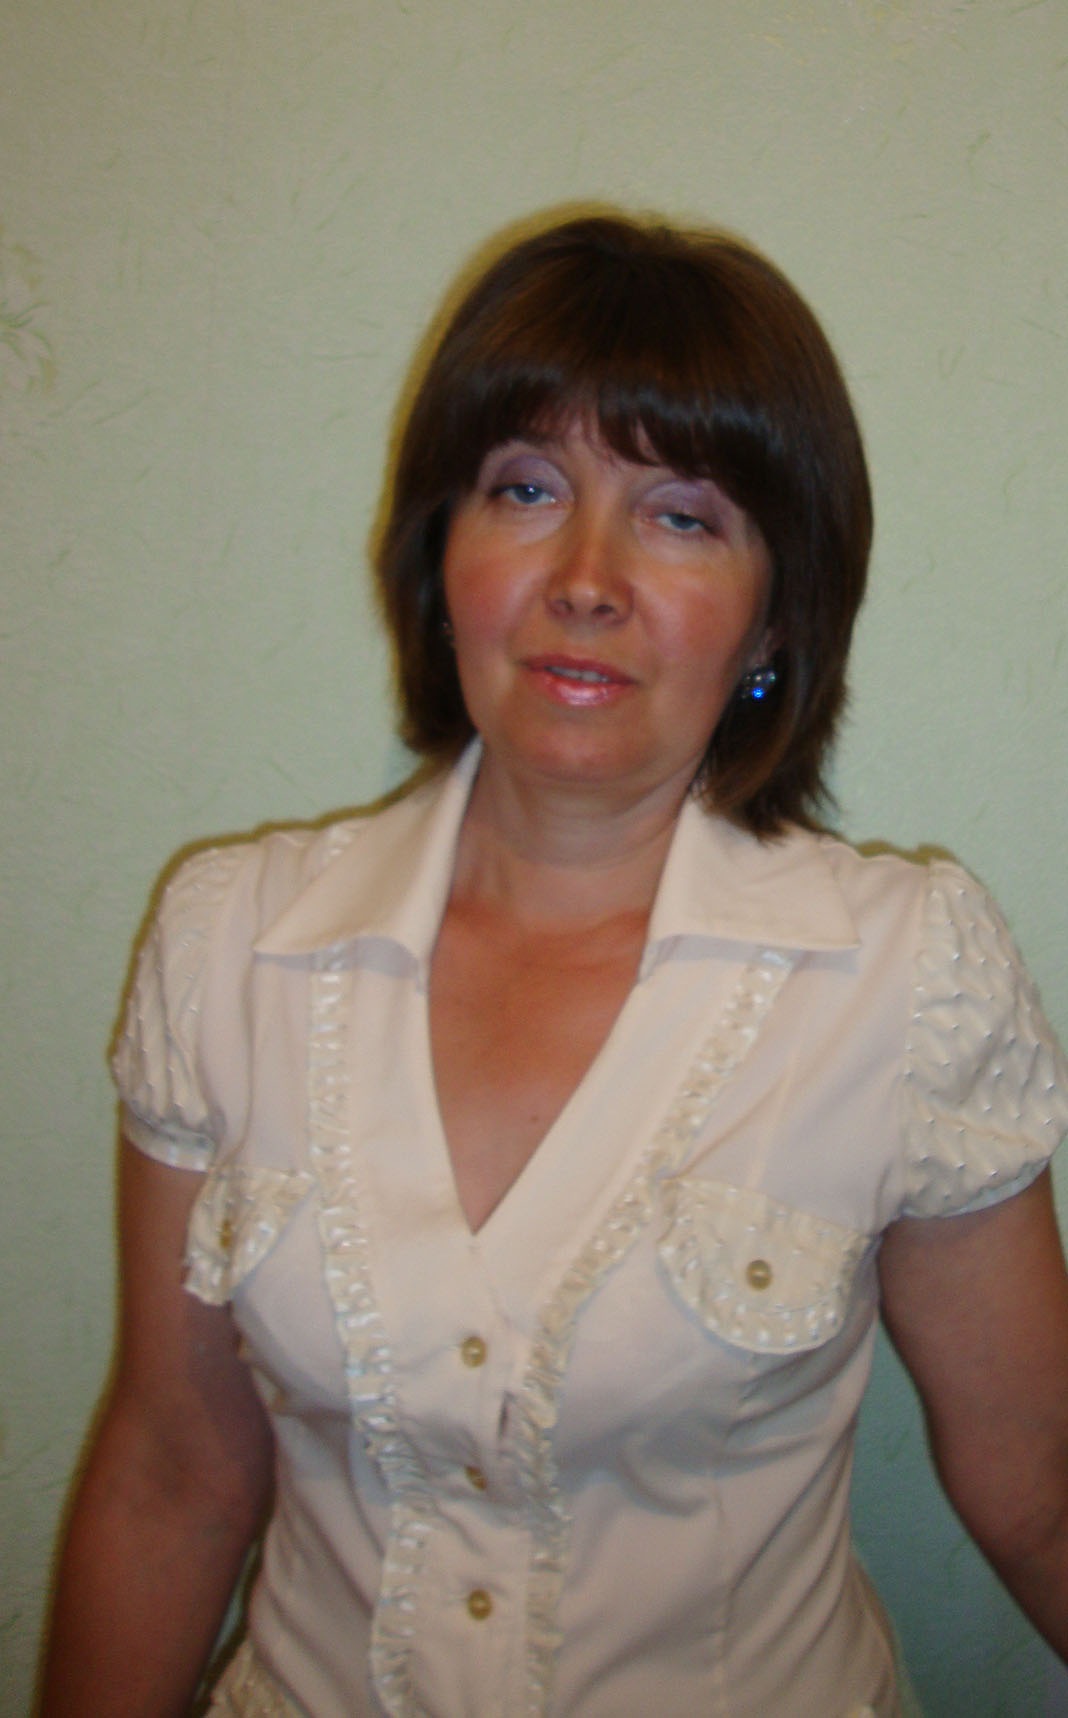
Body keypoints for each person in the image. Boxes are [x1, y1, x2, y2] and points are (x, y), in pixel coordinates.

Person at [41, 213, 1068, 1718]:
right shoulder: (229, 947)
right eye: (526, 490)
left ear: (774, 616)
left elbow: (1040, 1484)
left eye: (682, 516)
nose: (587, 577)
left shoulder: (904, 974)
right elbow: (172, 1475)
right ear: (441, 552)